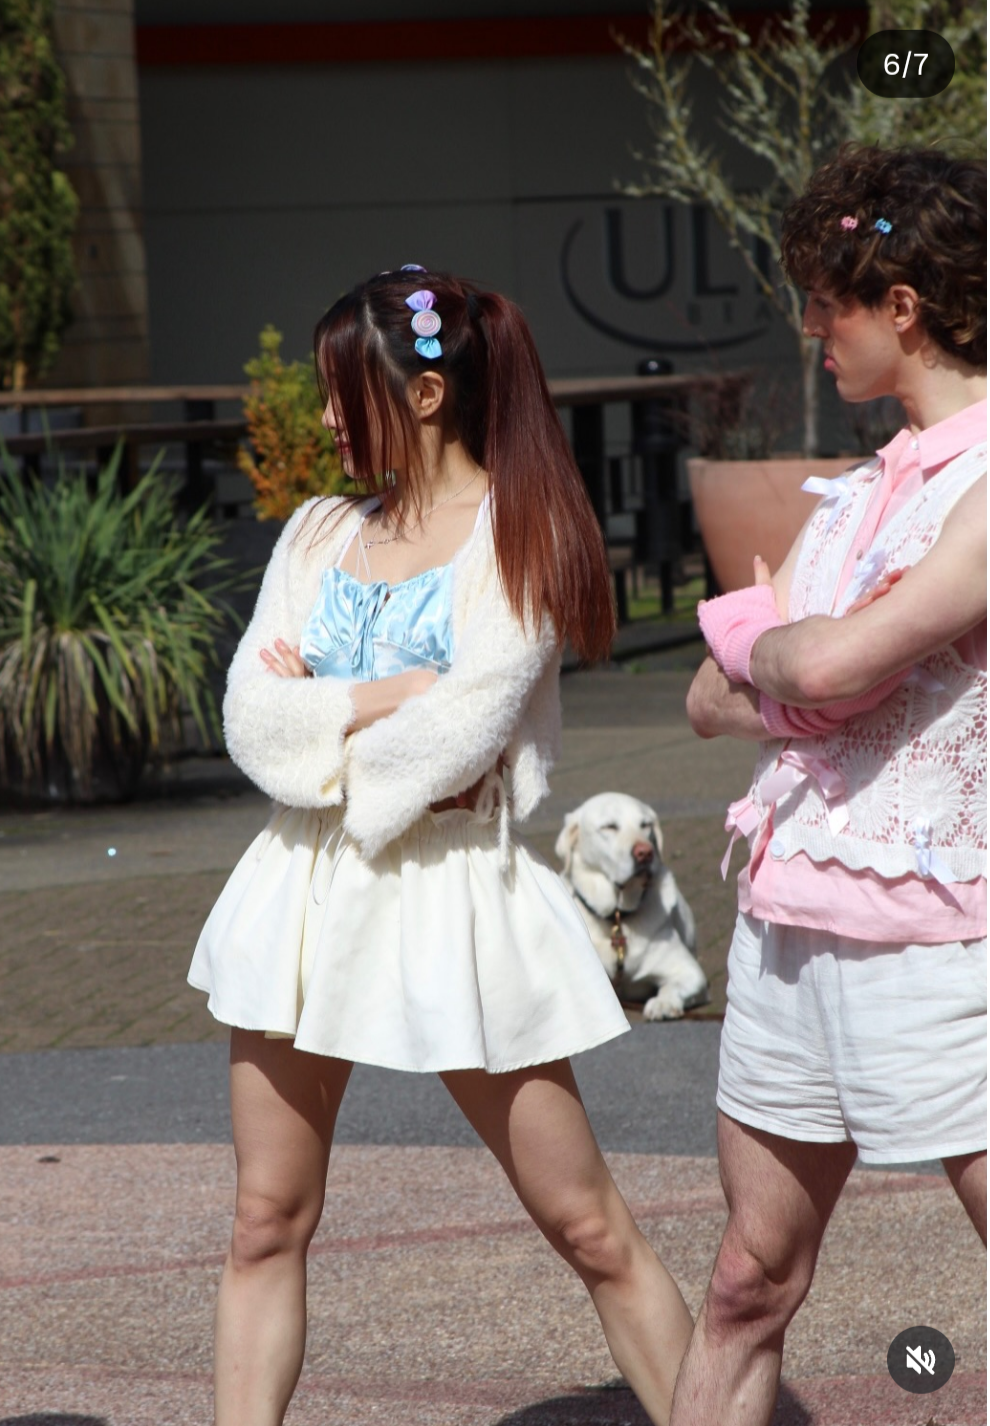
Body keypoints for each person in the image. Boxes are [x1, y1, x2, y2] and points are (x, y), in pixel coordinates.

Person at [189, 267, 694, 1426]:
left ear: (422, 396)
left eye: (343, 391)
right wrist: (391, 693)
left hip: (458, 890)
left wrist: (326, 719)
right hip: (300, 890)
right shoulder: (319, 533)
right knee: (264, 1219)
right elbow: (250, 723)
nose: (326, 417)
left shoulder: (524, 535)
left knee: (588, 1225)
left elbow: (456, 749)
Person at [674, 145, 986, 1425]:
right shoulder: (855, 489)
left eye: (824, 301)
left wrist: (763, 637)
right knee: (746, 1280)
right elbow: (706, 698)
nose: (810, 329)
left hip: (949, 936)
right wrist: (784, 653)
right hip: (788, 927)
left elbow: (835, 665)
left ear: (900, 306)